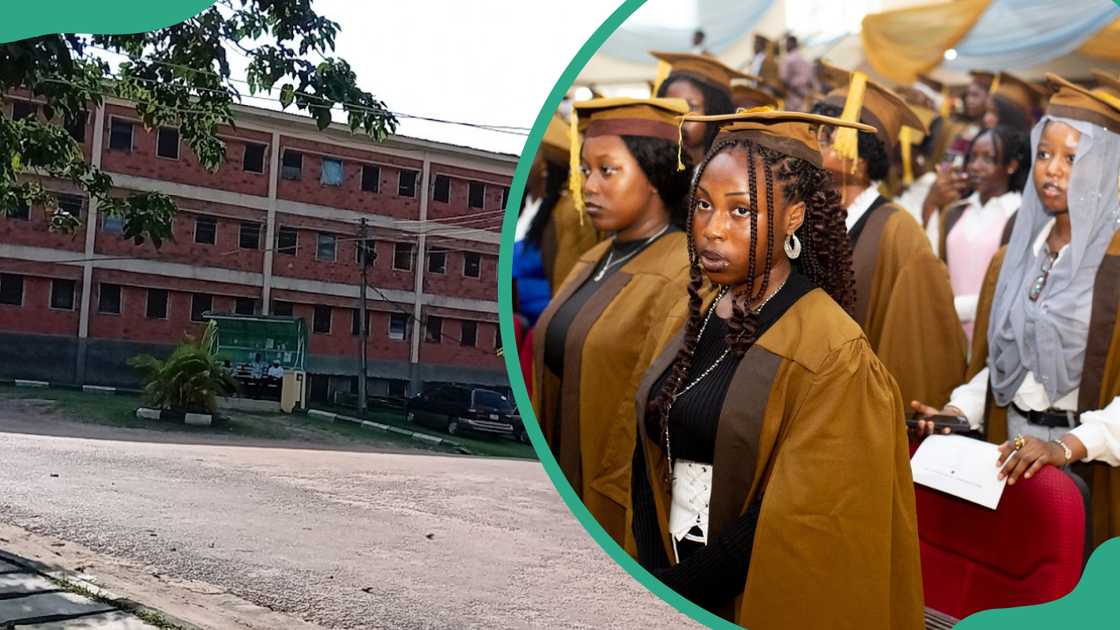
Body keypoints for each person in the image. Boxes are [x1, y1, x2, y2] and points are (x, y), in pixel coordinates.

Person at [630, 109, 923, 629]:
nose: (712, 230)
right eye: (703, 205)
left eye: (740, 211)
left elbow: (794, 521)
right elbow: (651, 446)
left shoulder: (833, 352)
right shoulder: (691, 313)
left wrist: (672, 591)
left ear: (794, 218)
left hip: (746, 599)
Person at [914, 74, 1120, 547]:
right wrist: (958, 410)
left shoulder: (1116, 266)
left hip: (1087, 467)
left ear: (1108, 166)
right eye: (1045, 154)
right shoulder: (1014, 257)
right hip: (1006, 458)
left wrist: (1063, 448)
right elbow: (1005, 363)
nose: (1052, 171)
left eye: (1073, 158)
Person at [532, 97, 694, 550]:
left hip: (619, 510)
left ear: (656, 175)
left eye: (608, 171)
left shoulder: (683, 271)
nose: (590, 187)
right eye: (585, 172)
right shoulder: (593, 257)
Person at [812, 69, 967, 408]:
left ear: (858, 156)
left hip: (859, 406)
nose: (813, 144)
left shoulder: (899, 231)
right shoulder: (806, 215)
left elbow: (918, 348)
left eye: (825, 137)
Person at [939, 126, 1030, 344]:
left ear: (1011, 166)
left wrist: (957, 307)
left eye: (988, 159)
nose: (975, 167)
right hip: (949, 331)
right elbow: (940, 269)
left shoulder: (1019, 215)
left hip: (991, 332)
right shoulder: (955, 212)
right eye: (972, 158)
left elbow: (1013, 286)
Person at [514, 114, 601, 313]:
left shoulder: (569, 212)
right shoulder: (524, 205)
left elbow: (568, 284)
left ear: (544, 164)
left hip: (542, 322)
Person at [651, 51, 743, 166]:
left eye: (691, 107)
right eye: (671, 106)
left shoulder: (729, 169)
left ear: (715, 112)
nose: (679, 118)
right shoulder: (655, 166)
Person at [778, 34, 813, 112]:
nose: (785, 46)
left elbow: (783, 78)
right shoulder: (805, 58)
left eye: (786, 44)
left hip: (793, 96)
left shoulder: (787, 59)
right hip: (806, 95)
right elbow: (811, 78)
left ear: (791, 43)